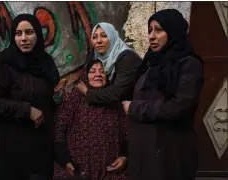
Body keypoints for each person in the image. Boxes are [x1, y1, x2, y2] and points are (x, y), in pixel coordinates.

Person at [122, 9, 204, 180]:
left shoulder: (188, 64)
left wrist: (135, 108)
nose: (152, 36)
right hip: (143, 153)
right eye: (150, 30)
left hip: (169, 154)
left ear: (173, 31)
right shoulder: (151, 63)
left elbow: (179, 106)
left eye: (158, 30)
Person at [0, 14, 60, 180]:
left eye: (29, 32)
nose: (24, 38)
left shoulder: (46, 63)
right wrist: (27, 110)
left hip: (39, 151)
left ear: (38, 34)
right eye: (18, 34)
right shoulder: (1, 63)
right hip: (8, 151)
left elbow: (48, 99)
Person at [53, 60, 128, 180]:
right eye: (92, 71)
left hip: (111, 172)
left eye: (102, 72)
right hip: (78, 173)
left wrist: (124, 156)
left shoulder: (115, 102)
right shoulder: (73, 98)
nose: (98, 74)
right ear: (85, 76)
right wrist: (65, 160)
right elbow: (59, 130)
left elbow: (127, 133)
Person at [76, 22, 142, 104]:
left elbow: (116, 93)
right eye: (94, 37)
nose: (99, 41)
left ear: (112, 37)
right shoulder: (103, 60)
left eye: (104, 35)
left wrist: (86, 91)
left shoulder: (127, 58)